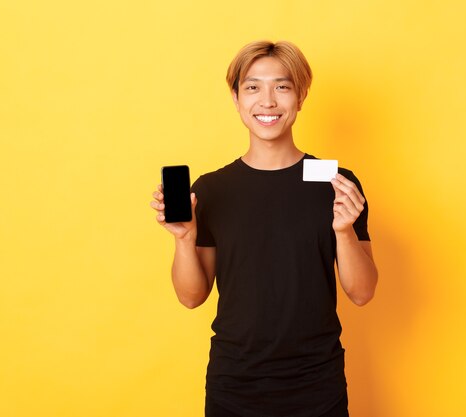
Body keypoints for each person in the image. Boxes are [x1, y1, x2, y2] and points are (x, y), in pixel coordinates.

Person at [150, 40, 378, 417]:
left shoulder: (336, 182)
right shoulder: (210, 190)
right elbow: (191, 297)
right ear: (236, 98)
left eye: (282, 86)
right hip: (234, 385)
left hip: (317, 385)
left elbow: (363, 292)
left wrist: (344, 231)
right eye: (253, 87)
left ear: (301, 97)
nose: (268, 101)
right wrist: (185, 238)